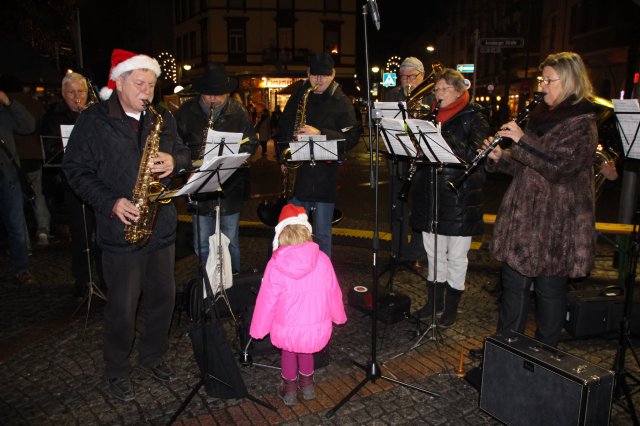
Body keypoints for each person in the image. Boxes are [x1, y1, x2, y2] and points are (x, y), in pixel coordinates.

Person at [63, 49, 191, 401]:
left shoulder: (162, 116)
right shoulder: (94, 120)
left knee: (163, 299)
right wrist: (111, 202)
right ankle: (117, 369)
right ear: (119, 83)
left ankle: (153, 357)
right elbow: (74, 170)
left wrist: (175, 161)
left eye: (151, 84)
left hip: (161, 227)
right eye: (139, 84)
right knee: (121, 307)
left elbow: (183, 152)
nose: (147, 91)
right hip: (121, 230)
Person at [483, 52, 598, 347]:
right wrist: (500, 157)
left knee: (549, 292)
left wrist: (522, 140)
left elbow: (560, 168)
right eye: (542, 79)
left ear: (570, 81)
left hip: (555, 226)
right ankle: (506, 349)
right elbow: (527, 166)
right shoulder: (541, 117)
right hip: (524, 223)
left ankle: (545, 356)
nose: (542, 86)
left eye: (549, 80)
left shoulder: (582, 122)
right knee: (513, 287)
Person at [411, 68, 491, 327]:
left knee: (456, 256)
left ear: (459, 90)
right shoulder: (429, 116)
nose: (438, 94)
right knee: (433, 253)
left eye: (443, 89)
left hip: (460, 194)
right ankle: (434, 303)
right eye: (436, 89)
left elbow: (477, 153)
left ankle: (451, 308)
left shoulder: (474, 116)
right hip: (431, 192)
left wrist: (440, 138)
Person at [249, 204, 347, 406]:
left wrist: (258, 329)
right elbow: (333, 291)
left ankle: (290, 390)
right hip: (315, 326)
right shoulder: (322, 260)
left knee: (289, 351)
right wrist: (339, 316)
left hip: (287, 326)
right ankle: (308, 386)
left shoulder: (275, 264)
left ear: (281, 235)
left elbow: (267, 300)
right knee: (306, 350)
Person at [175, 63, 258, 273]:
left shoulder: (239, 112)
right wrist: (187, 167)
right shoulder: (186, 112)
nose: (213, 99)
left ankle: (232, 286)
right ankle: (207, 288)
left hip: (229, 185)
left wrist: (234, 158)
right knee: (201, 243)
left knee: (230, 242)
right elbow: (175, 145)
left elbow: (251, 142)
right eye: (208, 94)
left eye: (218, 95)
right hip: (199, 187)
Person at [276, 52, 360, 257]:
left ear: (333, 74)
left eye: (324, 75)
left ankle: (322, 276)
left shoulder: (342, 102)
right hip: (299, 174)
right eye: (314, 75)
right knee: (293, 230)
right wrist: (282, 158)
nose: (319, 80)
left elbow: (352, 137)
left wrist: (320, 133)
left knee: (322, 234)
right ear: (308, 74)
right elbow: (282, 130)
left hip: (325, 175)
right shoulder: (298, 97)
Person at [42, 71, 103, 297]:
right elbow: (51, 153)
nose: (77, 97)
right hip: (73, 184)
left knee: (102, 233)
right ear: (63, 94)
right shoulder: (54, 117)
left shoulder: (97, 113)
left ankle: (106, 278)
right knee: (81, 234)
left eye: (81, 92)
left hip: (98, 181)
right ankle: (83, 280)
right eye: (72, 93)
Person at [383, 57, 430, 268]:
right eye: (403, 76)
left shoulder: (431, 94)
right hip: (398, 158)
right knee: (397, 208)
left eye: (412, 76)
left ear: (422, 75)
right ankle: (398, 252)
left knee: (420, 208)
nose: (407, 80)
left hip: (422, 161)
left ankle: (417, 254)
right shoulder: (392, 96)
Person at [0, 88, 36, 284]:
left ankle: (21, 269)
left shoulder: (4, 110)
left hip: (7, 175)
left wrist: (8, 101)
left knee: (16, 225)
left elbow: (28, 125)